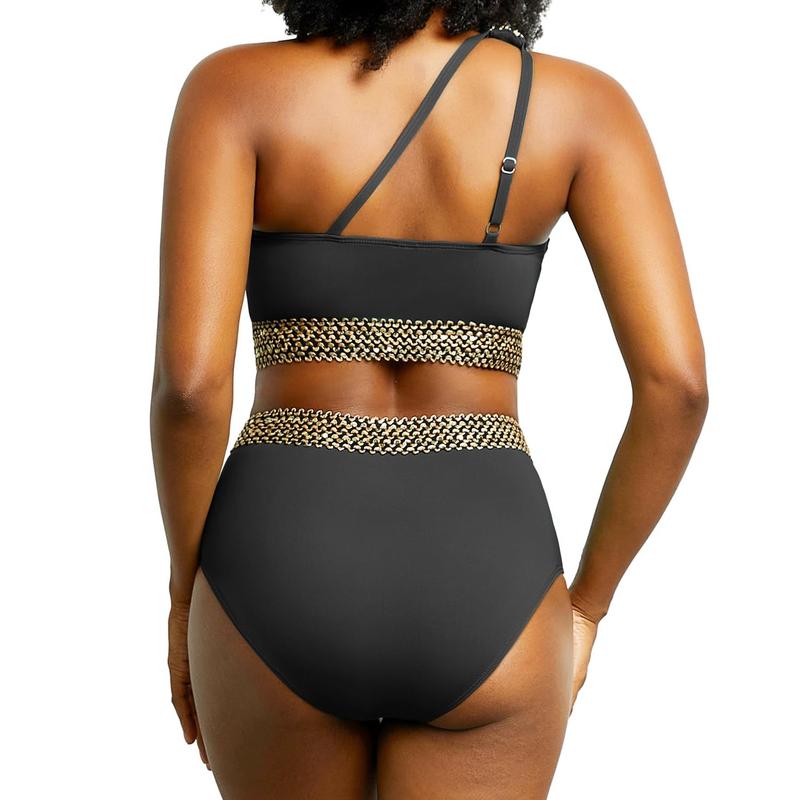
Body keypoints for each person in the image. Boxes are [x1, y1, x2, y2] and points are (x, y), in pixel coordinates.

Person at [150, 3, 708, 797]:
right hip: (490, 572)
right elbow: (678, 388)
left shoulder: (233, 88)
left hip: (278, 558)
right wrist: (588, 606)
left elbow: (191, 389)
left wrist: (186, 593)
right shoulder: (584, 106)